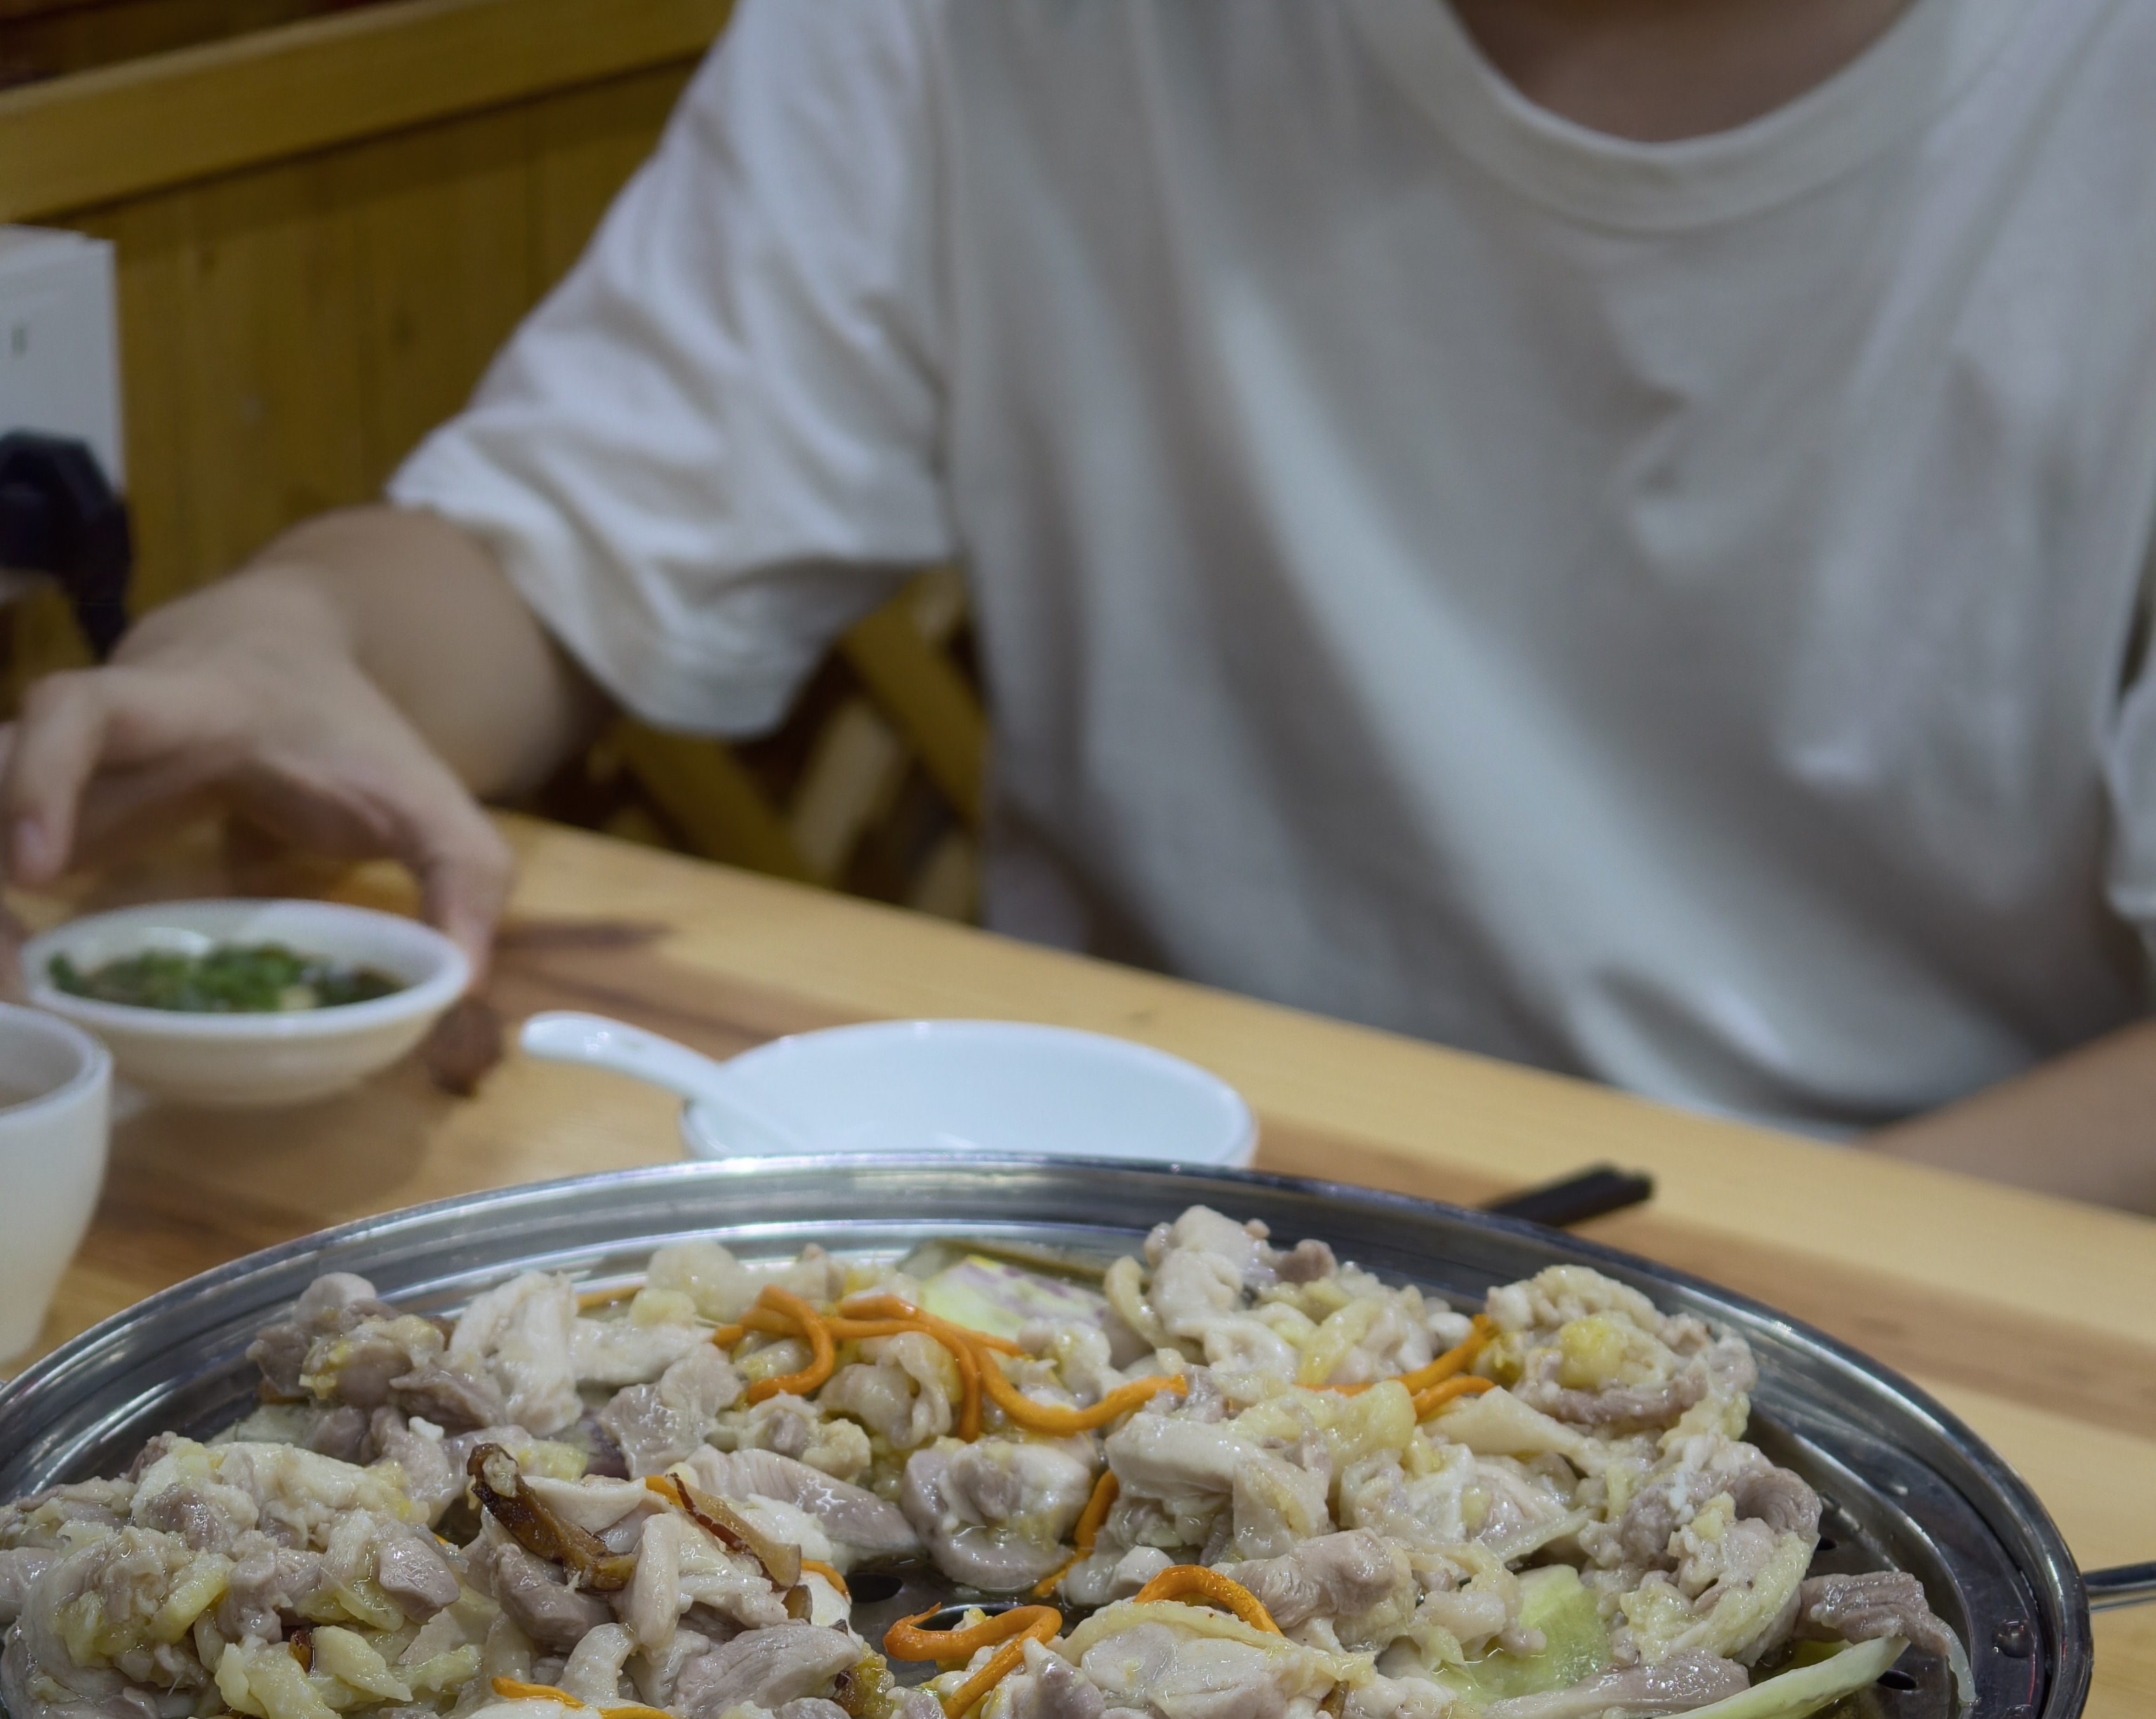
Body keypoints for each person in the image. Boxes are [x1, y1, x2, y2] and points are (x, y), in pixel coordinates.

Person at [4, 0, 2154, 1206]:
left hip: (1922, 1232)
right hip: (1092, 1186)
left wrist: (1693, 1280)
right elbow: (551, 552)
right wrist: (301, 637)